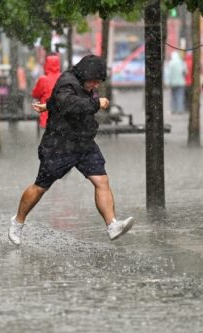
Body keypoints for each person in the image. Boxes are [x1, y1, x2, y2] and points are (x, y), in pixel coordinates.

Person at [8, 55, 134, 245]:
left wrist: (47, 105)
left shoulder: (80, 84)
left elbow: (59, 100)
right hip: (60, 145)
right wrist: (96, 103)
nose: (95, 86)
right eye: (94, 81)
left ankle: (112, 225)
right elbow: (69, 103)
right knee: (40, 187)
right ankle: (17, 222)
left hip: (84, 142)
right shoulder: (66, 81)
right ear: (85, 75)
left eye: (98, 83)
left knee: (101, 180)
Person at [32, 54, 61, 128]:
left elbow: (35, 94)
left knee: (47, 138)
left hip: (47, 116)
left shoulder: (43, 79)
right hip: (61, 117)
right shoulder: (63, 78)